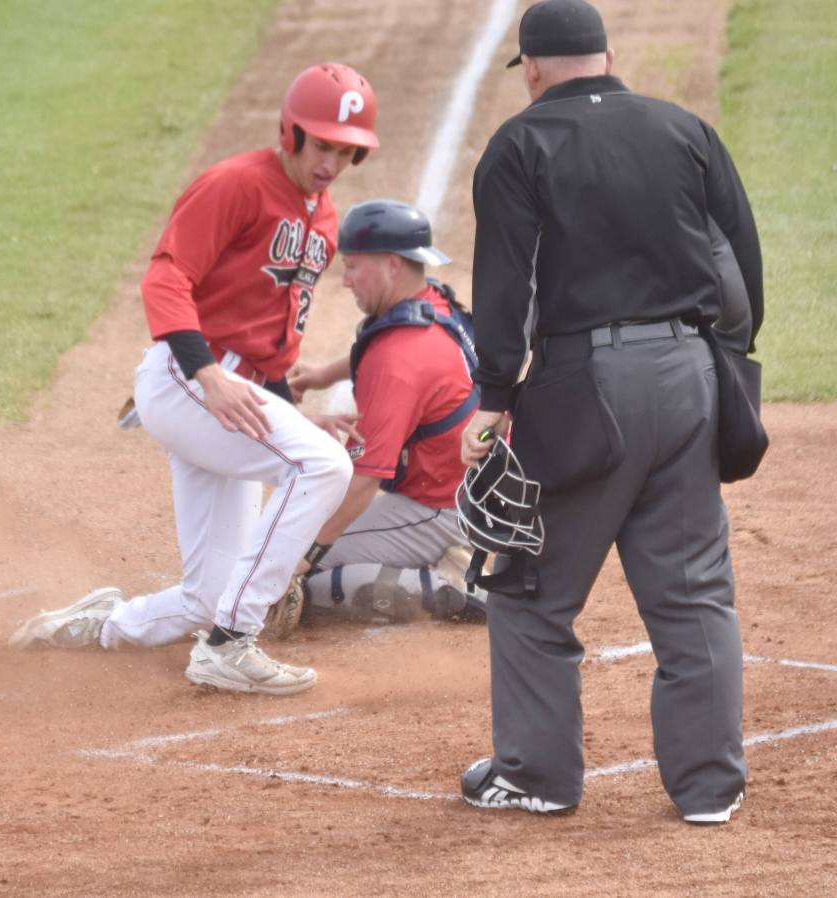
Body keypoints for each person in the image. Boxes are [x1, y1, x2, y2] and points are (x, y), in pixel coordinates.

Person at [458, 0, 763, 825]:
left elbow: (507, 286)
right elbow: (739, 262)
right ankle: (710, 790)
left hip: (585, 385)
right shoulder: (684, 130)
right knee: (694, 593)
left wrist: (491, 398)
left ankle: (537, 774)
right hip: (692, 376)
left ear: (530, 67)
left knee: (528, 587)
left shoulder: (520, 145)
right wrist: (723, 369)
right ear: (608, 55)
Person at [9, 63, 380, 696]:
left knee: (210, 594)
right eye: (321, 145)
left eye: (345, 151)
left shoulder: (323, 214)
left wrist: (288, 408)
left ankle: (96, 625)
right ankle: (232, 646)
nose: (331, 162)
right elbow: (166, 277)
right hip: (190, 376)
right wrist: (205, 374)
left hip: (239, 392)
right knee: (325, 468)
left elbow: (267, 332)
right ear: (289, 133)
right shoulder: (235, 184)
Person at [289, 199, 486, 625]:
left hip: (440, 509)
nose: (345, 281)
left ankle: (448, 585)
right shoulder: (434, 302)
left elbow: (364, 482)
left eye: (353, 266)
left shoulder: (396, 360)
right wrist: (325, 374)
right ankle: (455, 557)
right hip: (479, 487)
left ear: (392, 264)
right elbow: (389, 353)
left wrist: (306, 555)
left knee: (289, 579)